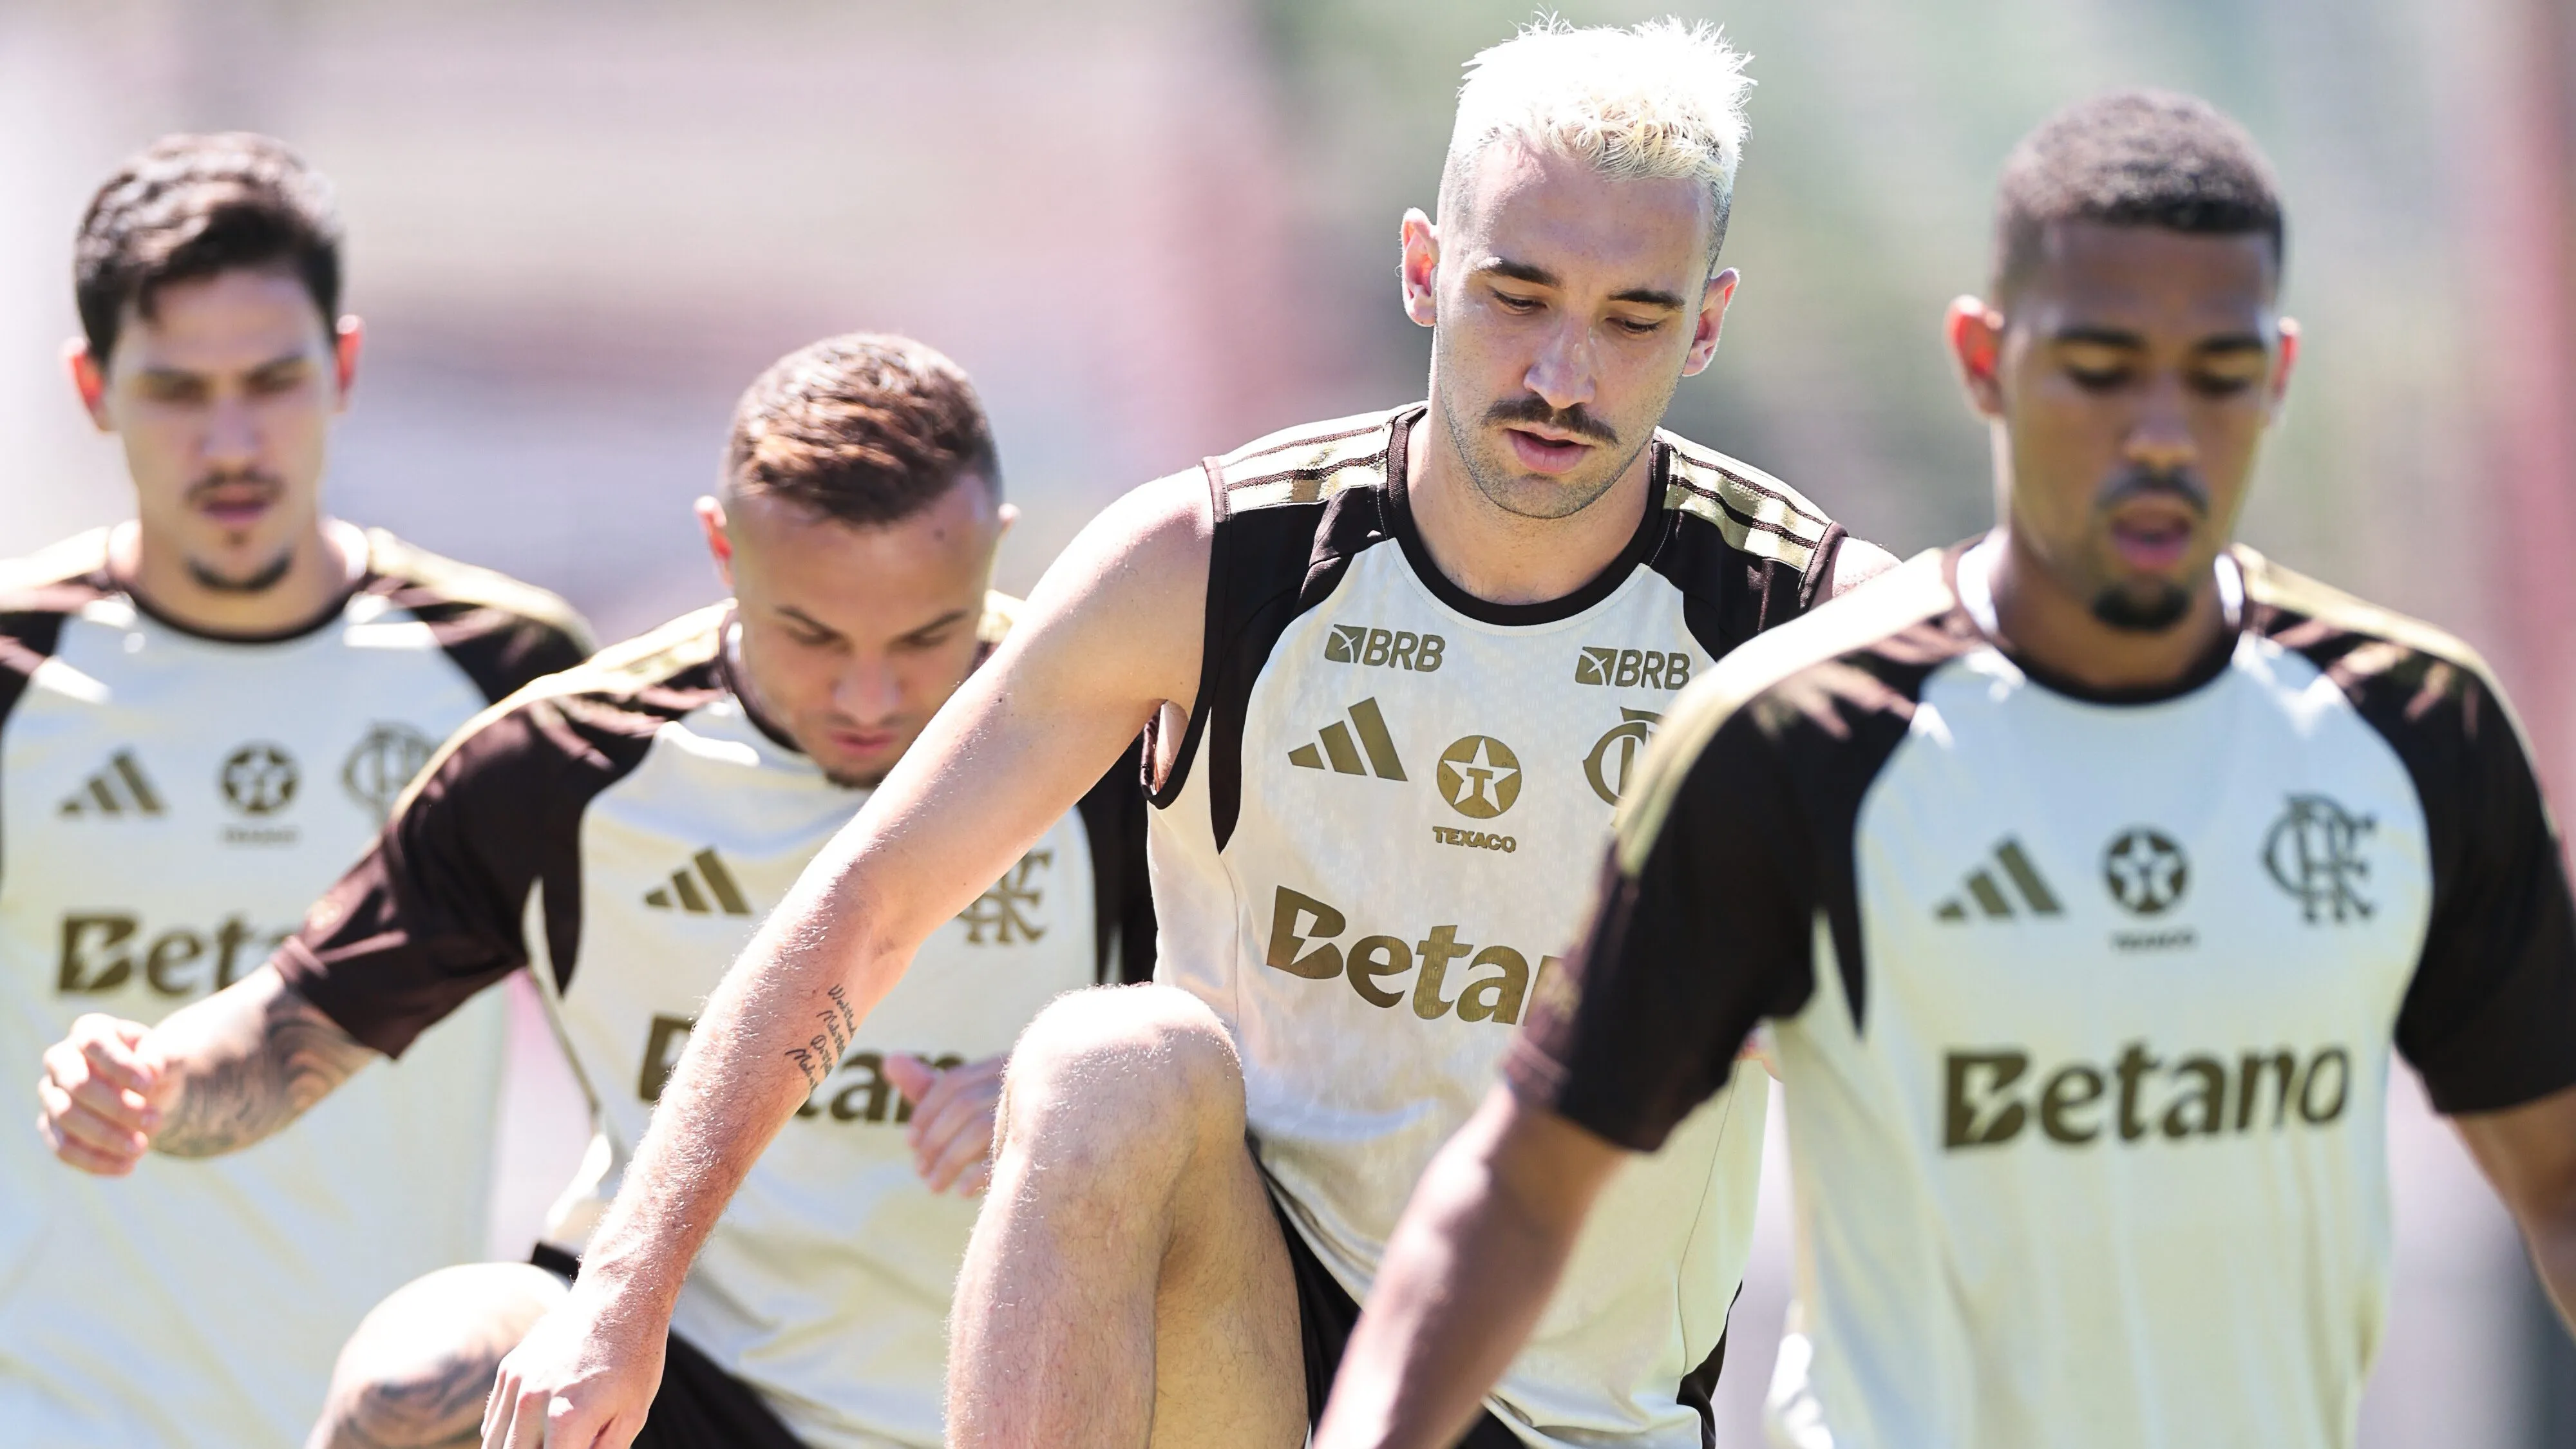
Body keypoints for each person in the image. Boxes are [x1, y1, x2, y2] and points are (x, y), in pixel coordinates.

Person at [482, 18, 1898, 1449]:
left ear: (1706, 322)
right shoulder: (1210, 562)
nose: (1559, 375)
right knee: (1110, 1059)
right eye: (1514, 296)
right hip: (1246, 1366)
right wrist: (620, 1292)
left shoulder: (1815, 632)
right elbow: (865, 907)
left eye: (1632, 319)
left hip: (1573, 1416)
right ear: (1422, 270)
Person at [1311, 90, 2576, 1449]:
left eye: (2212, 375)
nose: (2157, 432)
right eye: (2095, 367)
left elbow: (2555, 1170)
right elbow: (1520, 1188)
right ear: (1983, 360)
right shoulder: (1795, 743)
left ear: (2273, 375)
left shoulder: (2407, 731)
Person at [37, 332, 1158, 1449]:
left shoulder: (1109, 750)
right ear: (723, 548)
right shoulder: (562, 766)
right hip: (668, 1362)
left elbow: (1278, 1050)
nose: (868, 692)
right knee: (414, 1384)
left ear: (993, 553)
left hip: (1009, 1386)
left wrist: (1077, 1084)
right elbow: (300, 1016)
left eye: (925, 634)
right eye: (808, 632)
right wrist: (154, 1078)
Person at [8, 133, 593, 1446]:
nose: (231, 440)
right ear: (94, 389)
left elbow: (660, 1026)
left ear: (342, 368)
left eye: (272, 381)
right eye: (177, 389)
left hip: (391, 1421)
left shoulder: (506, 670)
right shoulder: (15, 669)